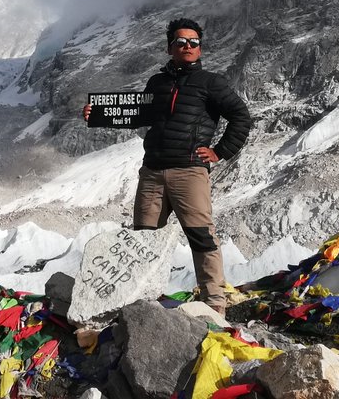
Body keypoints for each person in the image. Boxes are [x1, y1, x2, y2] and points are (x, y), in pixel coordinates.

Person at [84, 17, 252, 313]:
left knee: (201, 234)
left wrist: (219, 152)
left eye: (193, 42)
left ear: (200, 48)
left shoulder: (212, 82)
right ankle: (142, 303)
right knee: (143, 238)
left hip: (190, 171)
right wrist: (95, 114)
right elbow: (139, 115)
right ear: (169, 47)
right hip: (152, 172)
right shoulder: (157, 83)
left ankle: (214, 302)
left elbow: (241, 116)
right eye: (180, 42)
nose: (187, 46)